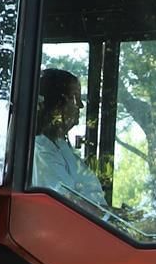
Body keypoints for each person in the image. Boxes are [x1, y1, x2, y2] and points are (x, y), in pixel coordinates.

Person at [31, 67, 107, 204]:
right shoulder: (41, 150)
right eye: (75, 98)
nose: (81, 105)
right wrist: (115, 217)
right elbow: (69, 204)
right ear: (57, 104)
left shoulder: (60, 145)